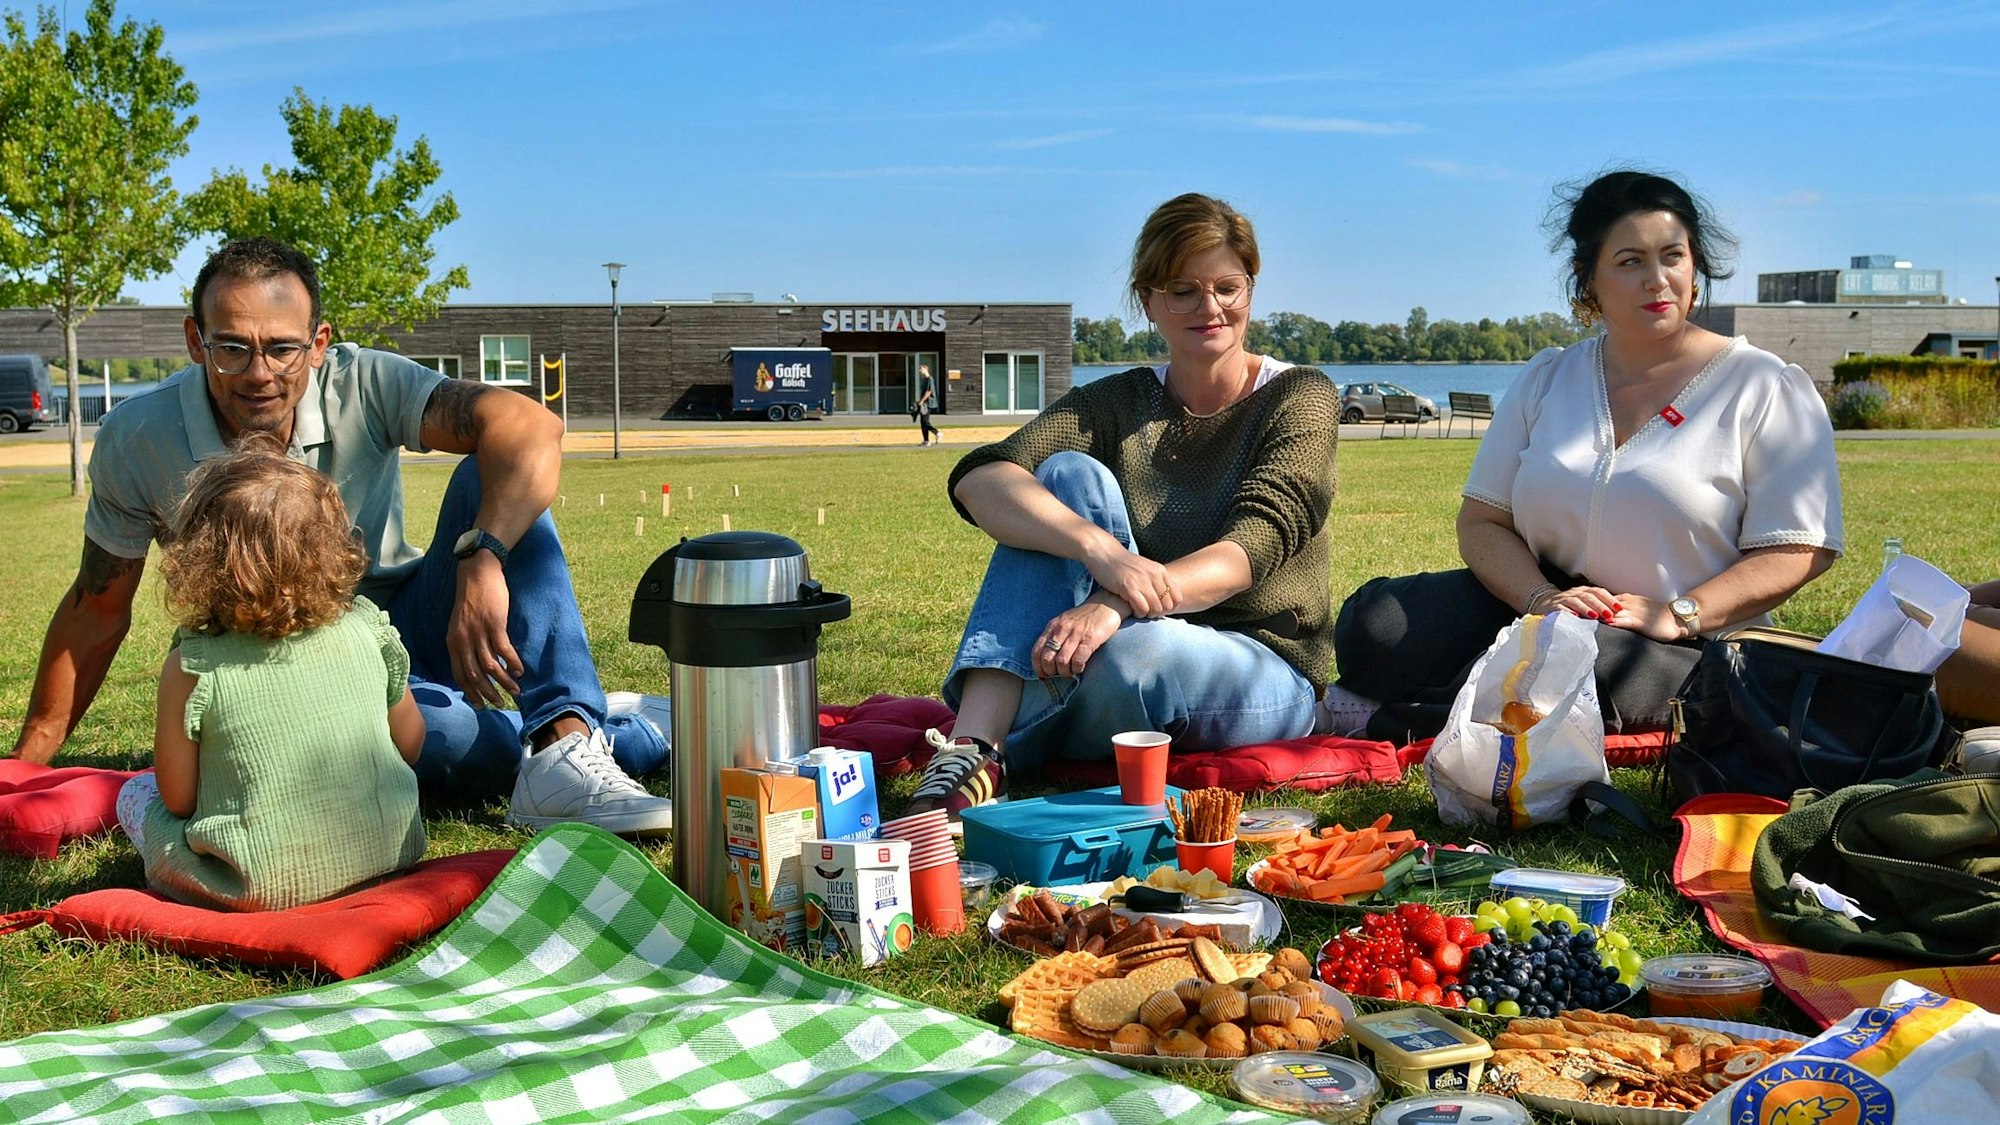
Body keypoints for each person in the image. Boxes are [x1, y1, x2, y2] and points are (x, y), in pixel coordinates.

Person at [9, 237, 673, 835]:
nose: (259, 373)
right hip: (271, 669)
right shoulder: (138, 437)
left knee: (490, 471)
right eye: (232, 348)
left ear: (319, 342)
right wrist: (27, 766)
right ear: (194, 340)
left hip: (398, 628)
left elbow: (531, 427)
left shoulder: (364, 383)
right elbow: (97, 605)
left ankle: (564, 738)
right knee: (429, 740)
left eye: (282, 348)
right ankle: (617, 734)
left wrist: (483, 555)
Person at [1331, 170, 1844, 742]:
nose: (1657, 279)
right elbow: (1482, 521)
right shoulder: (1550, 376)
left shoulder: (1763, 385)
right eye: (1630, 261)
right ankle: (1454, 695)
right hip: (1544, 608)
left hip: (1676, 641)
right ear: (1589, 280)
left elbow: (1801, 548)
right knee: (1376, 623)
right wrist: (1542, 599)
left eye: (1673, 256)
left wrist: (1681, 613)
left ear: (1695, 267)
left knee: (1579, 671)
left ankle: (1391, 721)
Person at [907, 193, 1339, 824]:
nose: (1210, 308)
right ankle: (974, 749)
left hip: (1259, 661)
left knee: (1139, 656)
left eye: (1228, 287)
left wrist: (1112, 603)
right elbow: (981, 477)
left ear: (1251, 287)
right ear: (1148, 300)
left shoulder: (1300, 395)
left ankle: (1008, 730)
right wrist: (1097, 550)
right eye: (1183, 291)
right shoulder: (1117, 401)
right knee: (1063, 476)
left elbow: (1252, 547)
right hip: (1122, 636)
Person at [116, 441, 427, 910]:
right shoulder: (367, 628)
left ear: (200, 558)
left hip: (252, 883)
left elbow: (178, 800)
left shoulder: (194, 666)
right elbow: (411, 744)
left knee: (136, 792)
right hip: (388, 853)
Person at [914, 364, 941, 446]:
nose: (920, 371)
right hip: (924, 403)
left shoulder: (930, 379)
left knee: (925, 421)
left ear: (926, 369)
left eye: (921, 369)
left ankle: (937, 433)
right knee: (923, 422)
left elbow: (929, 392)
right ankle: (926, 440)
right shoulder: (924, 379)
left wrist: (922, 401)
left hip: (928, 403)